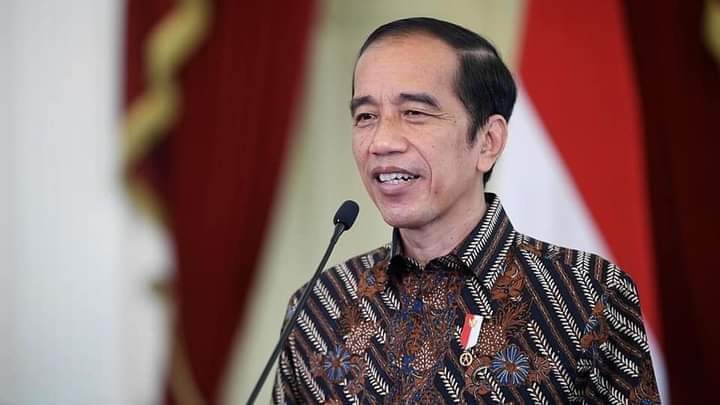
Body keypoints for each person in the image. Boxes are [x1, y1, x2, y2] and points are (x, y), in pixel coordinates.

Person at [273, 17, 659, 404]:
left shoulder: (588, 295)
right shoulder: (317, 309)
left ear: (488, 141)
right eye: (366, 116)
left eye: (415, 113)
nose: (382, 141)